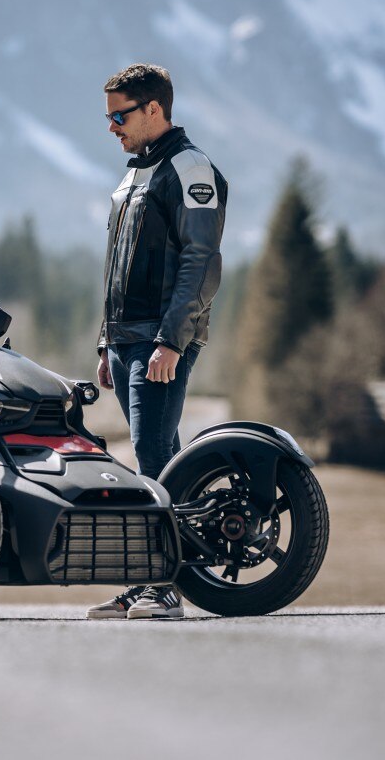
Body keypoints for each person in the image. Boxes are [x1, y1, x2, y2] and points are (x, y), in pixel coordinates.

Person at [86, 63, 227, 620]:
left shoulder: (190, 167)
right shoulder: (133, 173)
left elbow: (201, 262)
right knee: (157, 457)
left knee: (151, 456)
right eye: (107, 118)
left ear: (154, 110)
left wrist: (171, 341)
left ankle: (161, 586)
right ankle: (151, 578)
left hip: (159, 341)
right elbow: (116, 265)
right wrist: (105, 343)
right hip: (125, 341)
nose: (112, 127)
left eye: (120, 116)